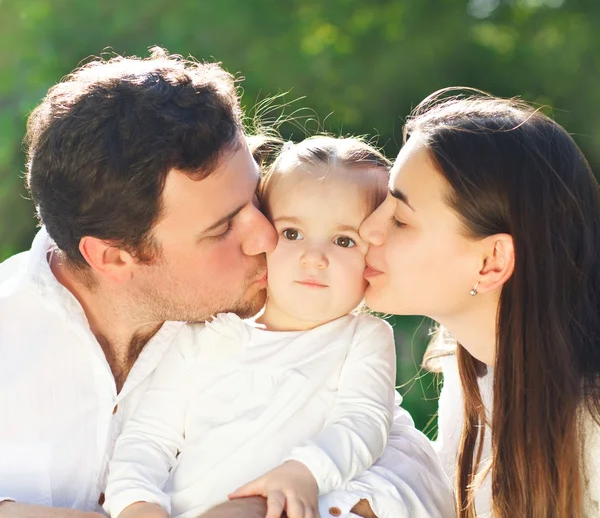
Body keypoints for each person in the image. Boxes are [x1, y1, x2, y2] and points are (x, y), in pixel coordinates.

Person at [0, 49, 454, 518]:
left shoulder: (293, 325)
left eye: (255, 199)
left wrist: (264, 508)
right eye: (221, 228)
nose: (266, 236)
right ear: (115, 257)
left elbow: (407, 467)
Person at [103, 136, 395, 518]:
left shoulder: (363, 338)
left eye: (344, 240)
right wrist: (137, 503)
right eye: (292, 233)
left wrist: (306, 471)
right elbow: (148, 438)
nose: (313, 258)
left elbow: (364, 421)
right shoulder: (202, 336)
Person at [359, 89, 600, 517]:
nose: (368, 230)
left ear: (491, 262)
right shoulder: (468, 375)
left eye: (399, 218)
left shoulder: (592, 429)